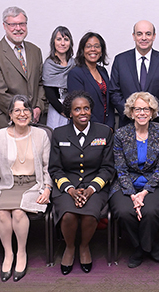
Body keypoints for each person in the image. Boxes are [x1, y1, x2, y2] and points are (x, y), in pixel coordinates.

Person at [0, 95, 52, 282]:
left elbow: (48, 166)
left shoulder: (41, 135)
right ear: (10, 114)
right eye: (17, 110)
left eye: (26, 110)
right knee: (2, 213)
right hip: (9, 184)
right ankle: (8, 254)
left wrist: (47, 188)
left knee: (18, 212)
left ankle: (21, 253)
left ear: (32, 113)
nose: (22, 114)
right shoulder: (0, 136)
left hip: (33, 184)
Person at [49, 91, 115, 275]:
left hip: (96, 186)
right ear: (70, 113)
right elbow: (55, 168)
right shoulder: (59, 134)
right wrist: (70, 190)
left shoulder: (103, 132)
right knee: (69, 215)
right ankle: (70, 247)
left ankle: (84, 247)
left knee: (89, 215)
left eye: (86, 108)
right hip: (66, 186)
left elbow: (108, 168)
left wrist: (91, 189)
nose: (82, 112)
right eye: (77, 109)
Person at [109, 92, 159, 268]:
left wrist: (143, 194)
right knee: (123, 211)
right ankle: (146, 247)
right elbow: (120, 169)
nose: (142, 113)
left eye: (146, 109)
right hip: (126, 182)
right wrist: (132, 195)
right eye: (138, 109)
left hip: (154, 182)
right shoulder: (121, 134)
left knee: (150, 211)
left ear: (152, 112)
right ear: (131, 112)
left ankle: (142, 248)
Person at [0, 6, 44, 131]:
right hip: (5, 120)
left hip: (34, 120)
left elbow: (40, 83)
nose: (18, 28)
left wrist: (38, 107)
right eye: (13, 24)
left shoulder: (35, 51)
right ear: (4, 26)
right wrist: (23, 113)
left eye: (22, 24)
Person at [109, 20, 159, 128]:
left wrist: (155, 112)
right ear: (133, 36)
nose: (144, 38)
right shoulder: (120, 60)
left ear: (154, 36)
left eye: (148, 34)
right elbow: (114, 92)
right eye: (139, 34)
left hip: (157, 124)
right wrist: (130, 113)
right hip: (128, 125)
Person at [67, 32, 114, 128]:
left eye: (97, 46)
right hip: (86, 127)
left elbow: (109, 101)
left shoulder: (103, 71)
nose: (93, 49)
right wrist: (98, 127)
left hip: (106, 127)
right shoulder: (75, 74)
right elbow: (78, 106)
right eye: (88, 46)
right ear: (82, 50)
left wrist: (110, 126)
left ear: (101, 51)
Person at [42, 26, 75, 130]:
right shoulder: (49, 64)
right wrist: (65, 112)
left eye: (66, 39)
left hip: (74, 108)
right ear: (53, 42)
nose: (62, 43)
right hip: (56, 109)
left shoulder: (74, 63)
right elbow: (49, 94)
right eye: (59, 39)